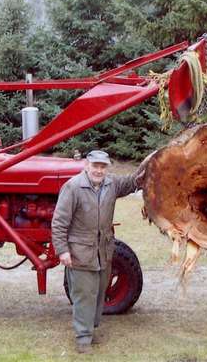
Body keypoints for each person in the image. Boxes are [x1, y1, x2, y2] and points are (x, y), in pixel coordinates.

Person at [51, 150, 146, 354]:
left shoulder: (111, 185)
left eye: (103, 167)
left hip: (103, 250)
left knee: (99, 291)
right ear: (87, 165)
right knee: (84, 294)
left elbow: (133, 182)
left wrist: (152, 162)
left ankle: (91, 328)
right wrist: (62, 250)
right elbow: (59, 222)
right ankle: (83, 339)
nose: (99, 170)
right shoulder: (73, 187)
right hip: (80, 251)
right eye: (95, 166)